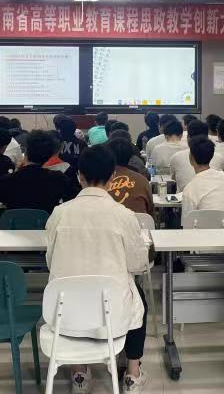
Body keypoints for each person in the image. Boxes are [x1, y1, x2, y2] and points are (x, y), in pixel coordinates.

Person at [46, 145, 149, 393]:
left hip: (65, 316)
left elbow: (51, 262)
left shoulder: (59, 214)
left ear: (79, 176)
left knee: (69, 291)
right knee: (139, 299)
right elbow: (138, 265)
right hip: (111, 315)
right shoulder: (124, 215)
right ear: (112, 177)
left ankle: (79, 373)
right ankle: (132, 374)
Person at [0, 130, 79, 214]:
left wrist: (16, 170)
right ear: (49, 155)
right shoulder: (58, 178)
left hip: (14, 222)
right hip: (47, 221)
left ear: (26, 151)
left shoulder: (7, 180)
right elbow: (73, 197)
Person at [181, 136, 224, 222]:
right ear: (211, 156)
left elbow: (187, 223)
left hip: (203, 230)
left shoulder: (190, 189)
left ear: (191, 158)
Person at [170, 120, 224, 190]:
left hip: (183, 195)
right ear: (207, 137)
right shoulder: (219, 158)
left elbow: (174, 179)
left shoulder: (176, 157)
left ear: (188, 138)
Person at [106, 137, 154, 215]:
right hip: (140, 222)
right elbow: (150, 210)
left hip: (108, 221)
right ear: (131, 156)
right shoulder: (142, 180)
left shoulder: (101, 181)